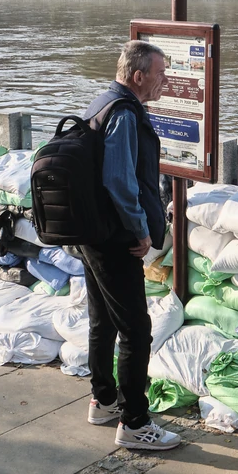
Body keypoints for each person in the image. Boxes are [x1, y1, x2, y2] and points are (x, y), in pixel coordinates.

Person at [80, 41, 181, 451]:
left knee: (102, 320)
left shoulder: (101, 101)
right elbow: (120, 182)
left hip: (92, 231)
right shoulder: (123, 113)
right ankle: (135, 422)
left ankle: (103, 400)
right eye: (160, 74)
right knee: (136, 330)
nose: (165, 81)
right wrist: (141, 231)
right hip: (115, 237)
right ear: (139, 76)